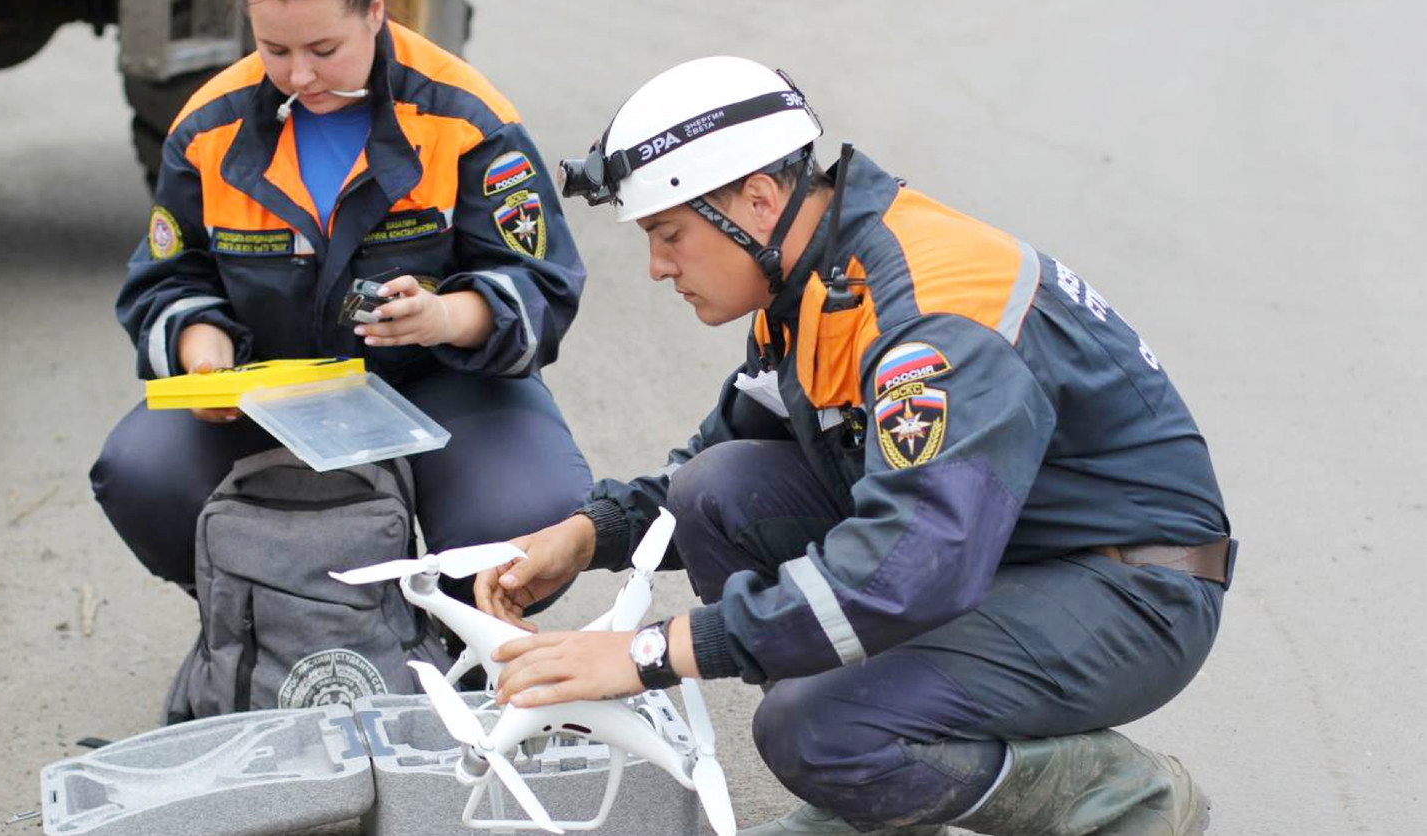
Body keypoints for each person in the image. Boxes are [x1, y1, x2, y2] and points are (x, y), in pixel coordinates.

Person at [475, 56, 1234, 836]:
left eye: (669, 235)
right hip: (1004, 547)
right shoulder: (811, 286)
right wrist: (590, 532)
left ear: (760, 202)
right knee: (718, 489)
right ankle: (873, 779)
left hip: (1131, 592)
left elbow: (912, 565)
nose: (658, 266)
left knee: (813, 727)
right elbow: (716, 461)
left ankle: (1118, 798)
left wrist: (648, 654)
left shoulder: (927, 316)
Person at [91, 0, 590, 609]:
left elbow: (540, 280)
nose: (300, 76)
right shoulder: (207, 128)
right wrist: (203, 357)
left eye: (323, 51)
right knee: (143, 471)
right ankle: (264, 611)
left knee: (529, 514)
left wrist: (444, 317)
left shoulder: (461, 114)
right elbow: (170, 277)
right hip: (276, 396)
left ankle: (460, 629)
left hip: (438, 383)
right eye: (275, 50)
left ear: (376, 12)